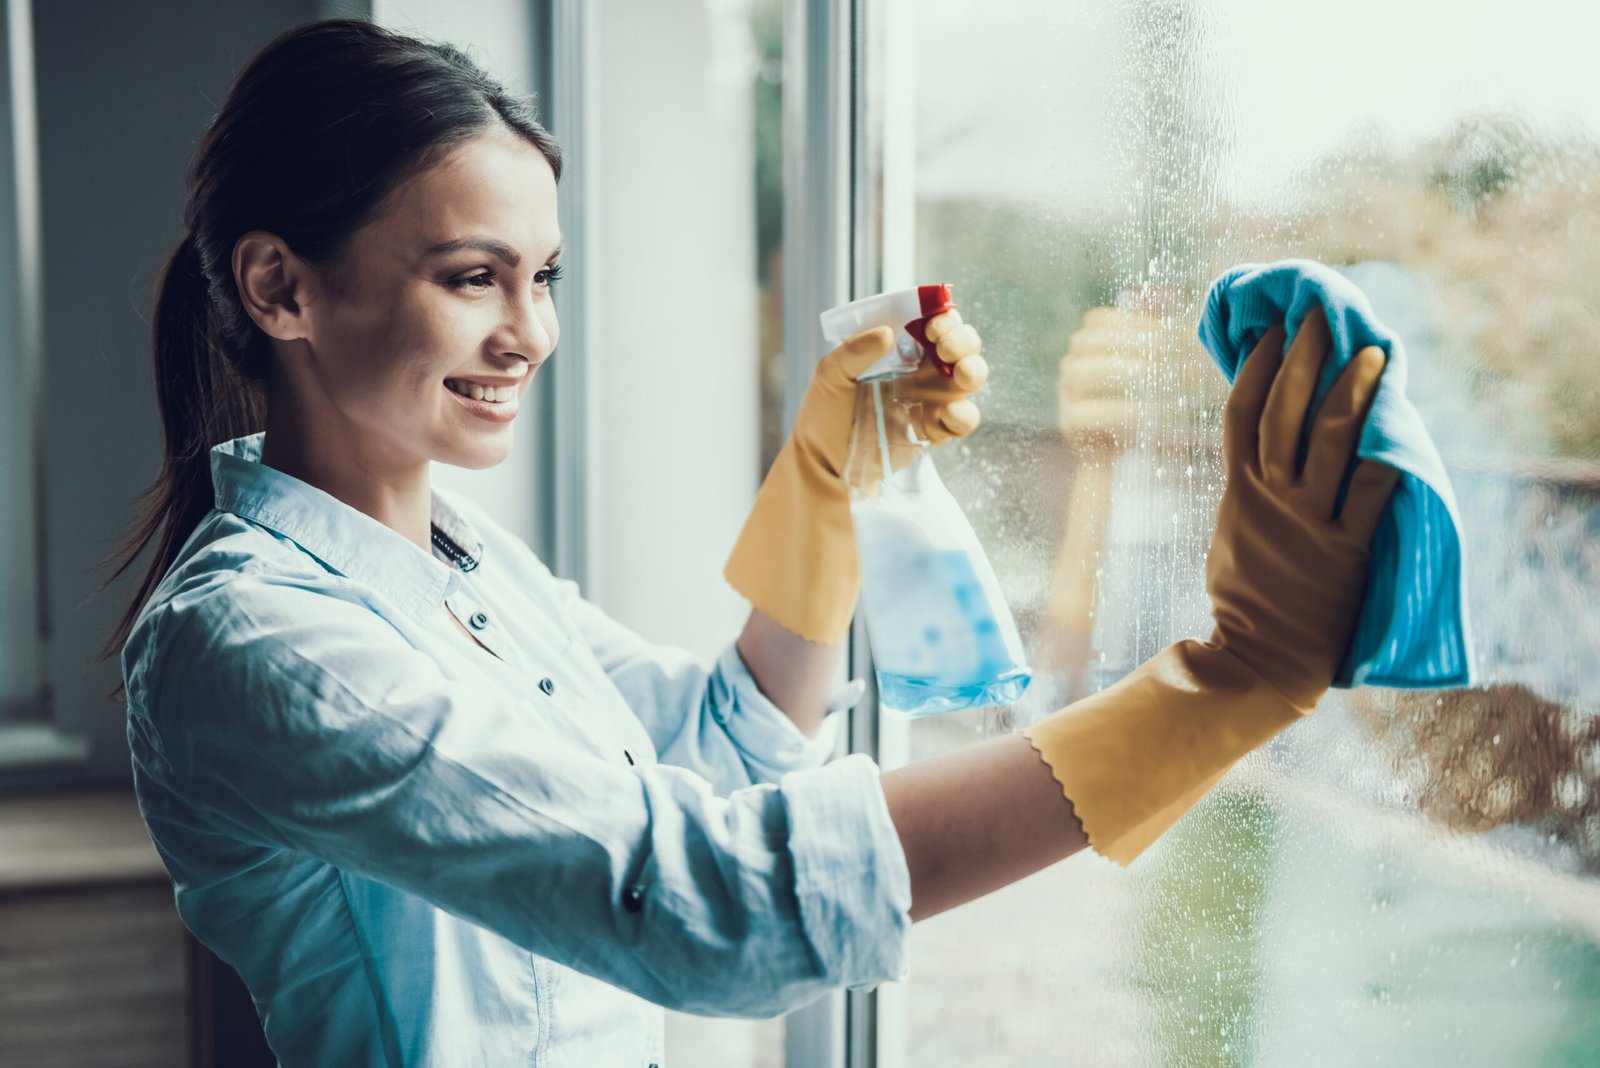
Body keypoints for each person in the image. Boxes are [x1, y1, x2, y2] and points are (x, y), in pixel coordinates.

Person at [108, 18, 1398, 1067]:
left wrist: (831, 472)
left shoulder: (467, 565)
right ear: (281, 286)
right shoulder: (257, 642)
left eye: (544, 276)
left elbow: (726, 747)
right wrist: (1227, 679)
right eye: (470, 276)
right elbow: (707, 908)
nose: (531, 334)